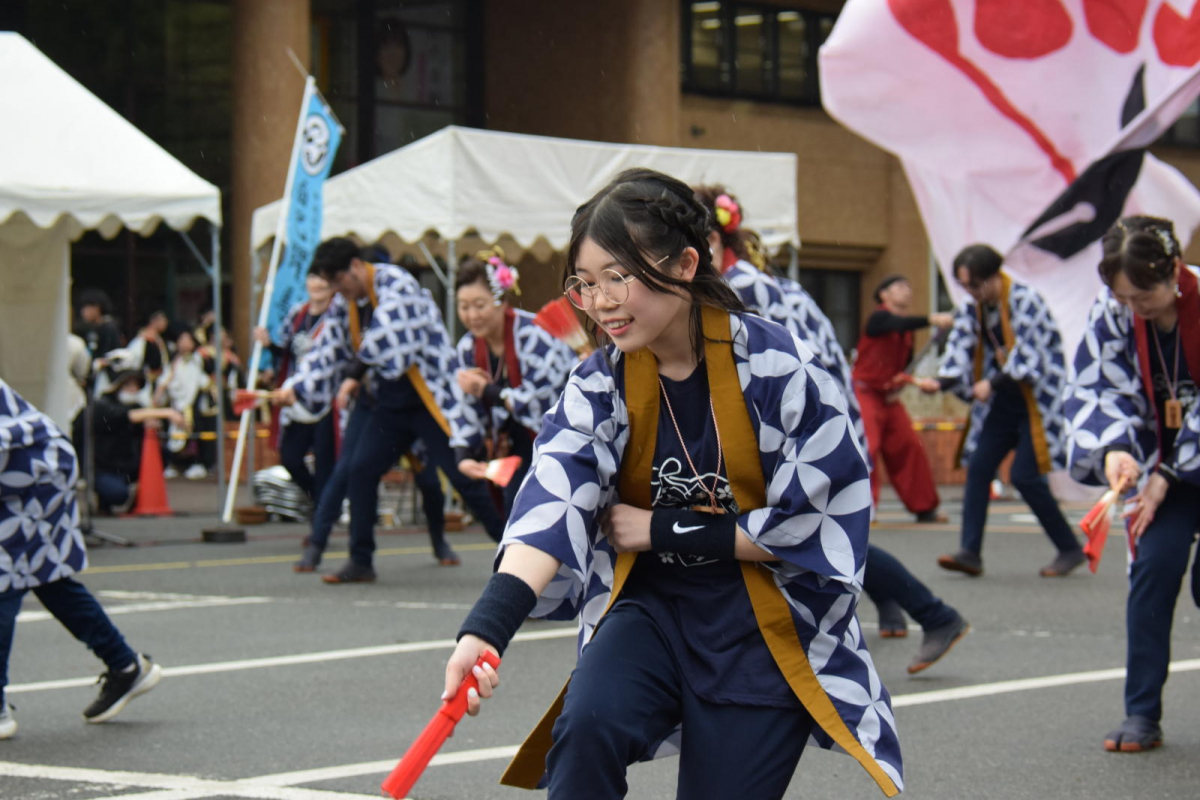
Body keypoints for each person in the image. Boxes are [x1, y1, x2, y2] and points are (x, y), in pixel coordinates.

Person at [442, 168, 902, 799]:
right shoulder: (598, 382)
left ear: (686, 264)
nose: (600, 302)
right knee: (584, 732)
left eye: (618, 277)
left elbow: (815, 524)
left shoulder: (778, 367)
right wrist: (485, 629)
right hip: (650, 607)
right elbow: (554, 503)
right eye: (585, 283)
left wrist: (660, 527)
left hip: (763, 619)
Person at [277, 238, 505, 582]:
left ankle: (517, 557)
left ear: (355, 267)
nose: (337, 291)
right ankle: (361, 559)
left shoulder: (396, 283)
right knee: (359, 469)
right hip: (389, 403)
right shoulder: (346, 303)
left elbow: (392, 343)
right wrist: (295, 388)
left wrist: (353, 375)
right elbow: (326, 351)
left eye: (339, 281)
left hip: (430, 397)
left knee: (465, 478)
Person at [1064, 216, 1200, 753]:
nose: (1135, 307)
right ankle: (1141, 712)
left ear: (1173, 270)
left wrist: (1168, 472)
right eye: (1125, 298)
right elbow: (1097, 386)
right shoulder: (1115, 309)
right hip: (1164, 468)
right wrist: (1117, 449)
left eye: (1144, 294)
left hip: (1176, 468)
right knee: (1152, 572)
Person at [0, 378, 163, 739]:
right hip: (23, 474)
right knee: (48, 579)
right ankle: (125, 665)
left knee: (5, 578)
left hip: (33, 474)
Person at [930, 244, 1083, 577]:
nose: (970, 293)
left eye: (974, 285)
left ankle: (1069, 548)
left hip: (1035, 401)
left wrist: (993, 382)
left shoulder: (1027, 299)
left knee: (1026, 477)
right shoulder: (976, 309)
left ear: (993, 277)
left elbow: (1032, 357)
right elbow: (960, 347)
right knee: (980, 468)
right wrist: (942, 382)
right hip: (1002, 404)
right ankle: (970, 552)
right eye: (965, 287)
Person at [693, 185, 868, 457]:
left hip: (800, 414)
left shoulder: (738, 286)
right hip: (812, 409)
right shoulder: (753, 281)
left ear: (713, 240)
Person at [452, 249, 575, 513]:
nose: (472, 315)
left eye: (479, 305)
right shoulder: (467, 349)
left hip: (557, 440)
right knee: (511, 513)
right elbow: (464, 408)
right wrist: (463, 454)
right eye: (464, 306)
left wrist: (488, 390)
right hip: (510, 446)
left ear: (501, 301)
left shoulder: (535, 334)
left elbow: (546, 403)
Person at [854, 275, 953, 522]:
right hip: (864, 393)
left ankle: (924, 506)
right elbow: (889, 324)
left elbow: (902, 366)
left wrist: (907, 384)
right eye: (899, 287)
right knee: (868, 448)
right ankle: (862, 510)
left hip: (889, 397)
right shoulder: (879, 317)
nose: (906, 291)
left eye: (908, 287)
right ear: (884, 295)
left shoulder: (906, 331)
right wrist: (932, 319)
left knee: (909, 446)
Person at [255, 270, 336, 506]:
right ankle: (320, 504)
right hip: (296, 400)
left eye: (323, 278)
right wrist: (269, 345)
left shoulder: (337, 316)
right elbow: (287, 350)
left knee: (324, 463)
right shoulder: (297, 314)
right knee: (290, 458)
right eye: (313, 277)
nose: (318, 283)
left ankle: (321, 523)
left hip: (325, 401)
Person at [91, 370, 186, 514]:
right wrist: (167, 413)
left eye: (136, 385)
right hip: (104, 467)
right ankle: (105, 500)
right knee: (117, 494)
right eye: (128, 385)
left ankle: (136, 493)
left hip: (126, 464)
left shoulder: (136, 406)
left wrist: (152, 425)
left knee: (163, 453)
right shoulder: (102, 406)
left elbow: (138, 418)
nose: (133, 389)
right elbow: (125, 416)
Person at [154, 330, 215, 480]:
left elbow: (204, 377)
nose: (184, 343)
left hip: (193, 403)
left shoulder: (198, 359)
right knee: (174, 434)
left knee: (195, 432)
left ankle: (198, 463)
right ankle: (173, 464)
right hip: (177, 403)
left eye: (188, 340)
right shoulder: (175, 361)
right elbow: (167, 379)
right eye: (182, 339)